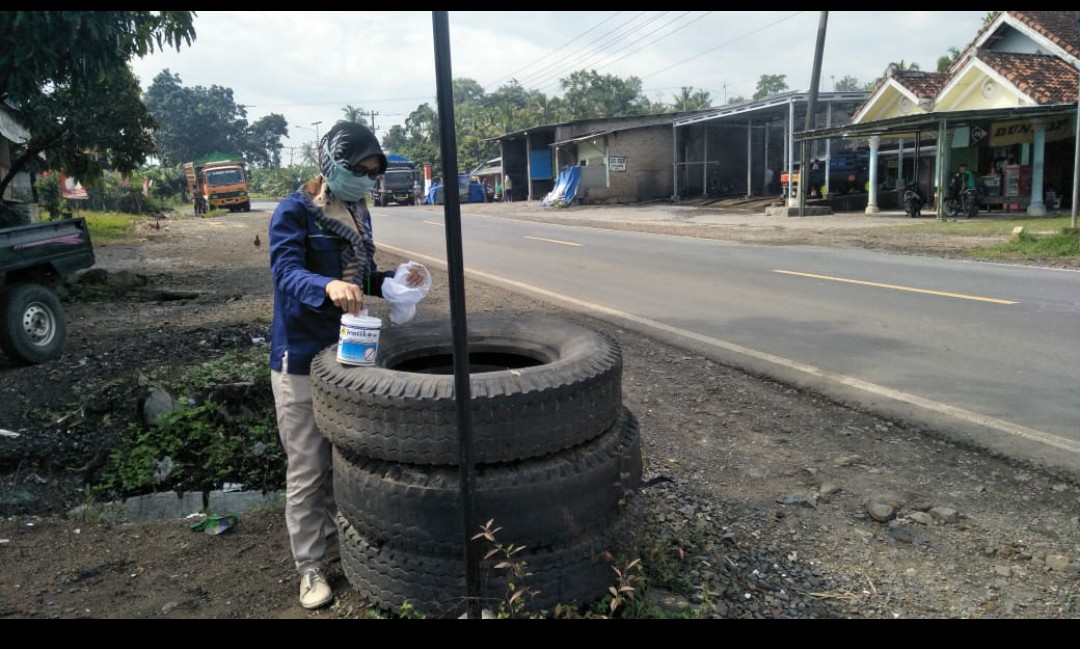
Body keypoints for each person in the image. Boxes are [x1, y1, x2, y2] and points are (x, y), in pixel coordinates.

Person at [267, 120, 427, 610]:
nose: (367, 181)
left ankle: (351, 548)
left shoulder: (358, 211)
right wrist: (326, 287)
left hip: (348, 355)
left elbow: (357, 275)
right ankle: (309, 566)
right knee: (309, 466)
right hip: (300, 358)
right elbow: (287, 271)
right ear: (332, 163)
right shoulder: (294, 211)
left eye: (374, 173)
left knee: (350, 459)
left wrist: (392, 282)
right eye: (360, 170)